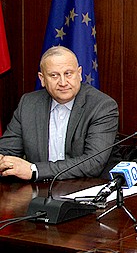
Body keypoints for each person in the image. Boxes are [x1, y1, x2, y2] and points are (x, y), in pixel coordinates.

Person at [0, 46, 119, 181]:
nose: (63, 82)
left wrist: (34, 170)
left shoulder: (102, 106)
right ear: (42, 79)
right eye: (54, 75)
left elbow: (93, 163)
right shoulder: (28, 104)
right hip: (39, 190)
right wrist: (3, 161)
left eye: (68, 73)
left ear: (79, 74)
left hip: (88, 187)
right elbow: (7, 151)